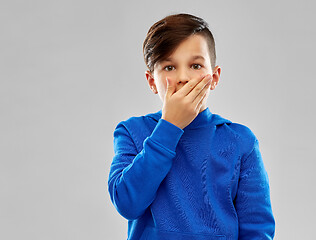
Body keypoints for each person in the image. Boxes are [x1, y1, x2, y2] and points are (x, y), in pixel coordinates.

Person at [108, 12, 275, 240]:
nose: (183, 77)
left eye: (195, 65)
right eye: (169, 67)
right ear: (151, 81)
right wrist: (169, 126)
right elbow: (127, 203)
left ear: (214, 78)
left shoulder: (240, 140)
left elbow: (257, 229)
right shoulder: (131, 132)